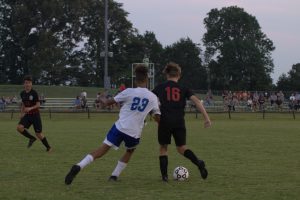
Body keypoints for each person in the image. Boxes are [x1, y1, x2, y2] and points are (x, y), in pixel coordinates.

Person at [65, 65, 160, 185]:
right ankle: (114, 176)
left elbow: (106, 103)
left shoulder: (128, 92)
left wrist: (101, 97)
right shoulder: (153, 97)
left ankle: (79, 165)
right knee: (130, 151)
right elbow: (157, 117)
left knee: (102, 150)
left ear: (135, 79)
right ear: (147, 79)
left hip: (119, 127)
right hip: (134, 132)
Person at [152, 62, 212, 182]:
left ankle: (164, 177)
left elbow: (149, 99)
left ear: (167, 75)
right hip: (179, 121)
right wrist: (207, 118)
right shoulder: (184, 88)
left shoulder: (160, 87)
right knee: (181, 148)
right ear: (179, 75)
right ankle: (198, 162)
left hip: (165, 121)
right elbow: (197, 102)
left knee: (163, 148)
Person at [16, 75, 52, 152]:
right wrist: (22, 113)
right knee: (19, 128)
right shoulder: (22, 93)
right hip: (28, 115)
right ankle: (31, 138)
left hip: (35, 115)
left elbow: (38, 105)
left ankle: (48, 147)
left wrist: (30, 108)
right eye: (26, 83)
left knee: (38, 134)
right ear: (24, 84)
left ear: (31, 84)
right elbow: (23, 104)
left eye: (29, 83)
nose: (27, 84)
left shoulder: (34, 93)